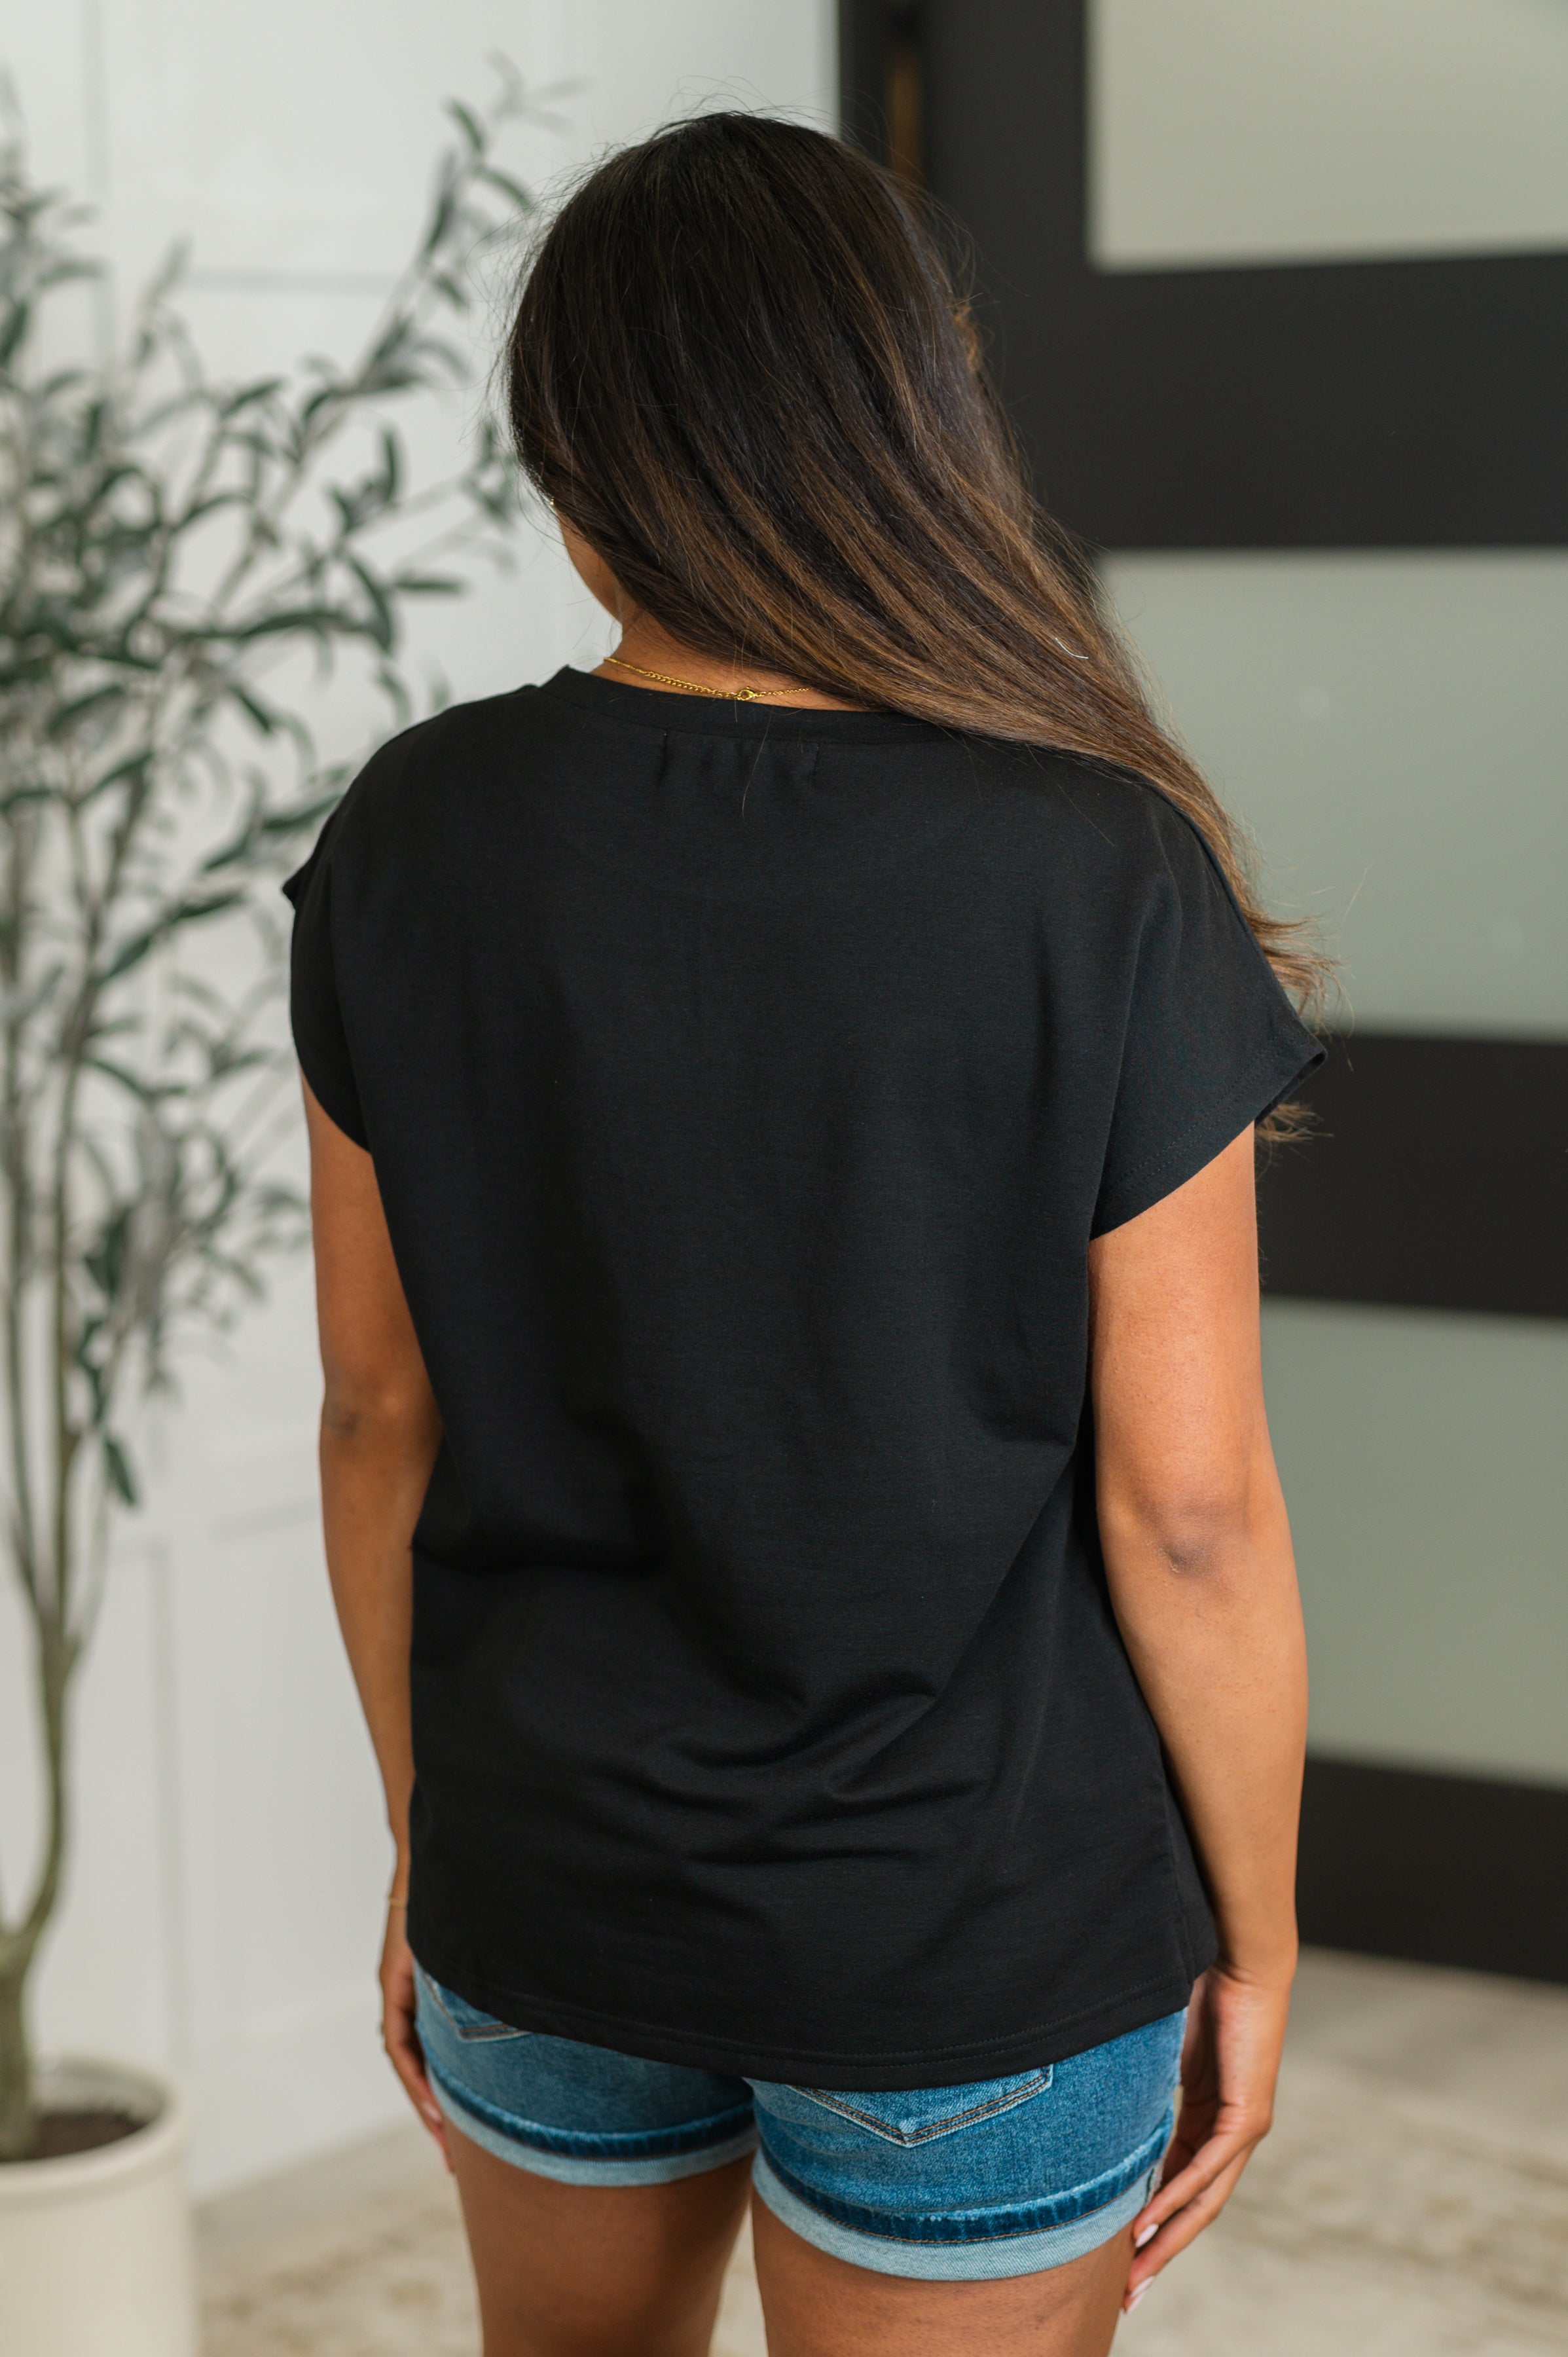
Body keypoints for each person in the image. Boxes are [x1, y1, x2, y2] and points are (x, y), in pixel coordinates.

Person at [286, 113, 1321, 2357]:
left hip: (544, 1880)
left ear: (575, 465)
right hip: (969, 1934)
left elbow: (379, 1413)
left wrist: (429, 1843)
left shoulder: (412, 836)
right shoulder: (1092, 869)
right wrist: (1256, 1938)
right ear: (910, 432)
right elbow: (1194, 1512)